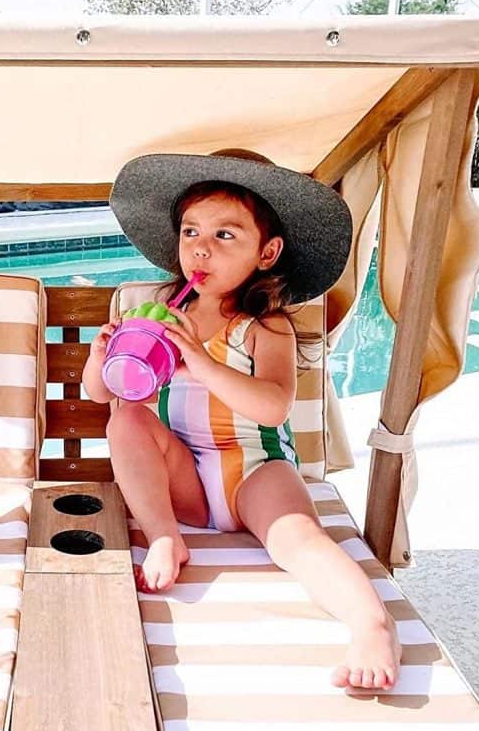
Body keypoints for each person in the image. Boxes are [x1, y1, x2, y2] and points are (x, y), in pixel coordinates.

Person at [81, 149, 401, 692]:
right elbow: (103, 394)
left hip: (255, 470)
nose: (200, 247)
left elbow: (273, 406)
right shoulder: (160, 314)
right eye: (190, 232)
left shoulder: (264, 326)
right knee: (125, 419)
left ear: (266, 252)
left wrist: (200, 361)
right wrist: (102, 358)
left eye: (225, 235)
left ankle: (371, 624)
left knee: (299, 538)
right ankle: (165, 537)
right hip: (185, 477)